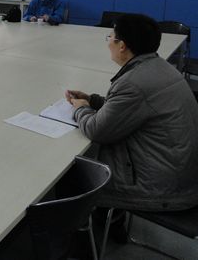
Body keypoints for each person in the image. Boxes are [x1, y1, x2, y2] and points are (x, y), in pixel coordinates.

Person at [67, 14, 198, 215]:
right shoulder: (159, 66)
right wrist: (93, 100)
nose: (108, 42)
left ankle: (91, 229)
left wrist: (81, 108)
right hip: (178, 173)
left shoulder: (133, 83)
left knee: (73, 174)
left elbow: (96, 130)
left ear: (122, 46)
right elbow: (131, 108)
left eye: (110, 37)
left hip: (161, 189)